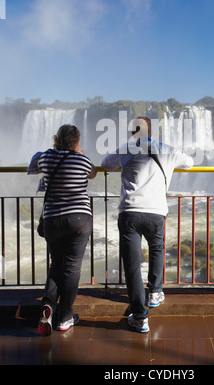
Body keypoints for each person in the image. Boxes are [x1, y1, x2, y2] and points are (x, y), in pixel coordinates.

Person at [101, 116, 193, 333]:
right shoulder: (167, 150)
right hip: (156, 212)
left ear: (133, 132)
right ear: (151, 132)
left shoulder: (126, 148)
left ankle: (141, 318)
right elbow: (189, 163)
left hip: (130, 212)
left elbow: (106, 163)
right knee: (156, 249)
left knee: (132, 266)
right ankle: (155, 292)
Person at [33, 124, 97, 336]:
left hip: (52, 220)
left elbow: (34, 165)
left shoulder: (46, 158)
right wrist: (79, 152)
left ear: (56, 138)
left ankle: (48, 306)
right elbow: (93, 174)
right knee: (71, 268)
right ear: (76, 141)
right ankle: (65, 317)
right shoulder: (83, 160)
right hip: (78, 219)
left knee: (55, 265)